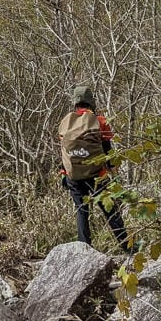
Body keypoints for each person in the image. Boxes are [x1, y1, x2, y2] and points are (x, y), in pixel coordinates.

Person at [57, 84, 132, 252]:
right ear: (92, 102)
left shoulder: (66, 122)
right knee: (110, 209)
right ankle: (128, 247)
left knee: (81, 211)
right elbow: (107, 150)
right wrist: (114, 174)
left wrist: (63, 173)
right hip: (98, 174)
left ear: (75, 103)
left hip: (73, 176)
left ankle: (84, 250)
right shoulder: (100, 121)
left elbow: (64, 151)